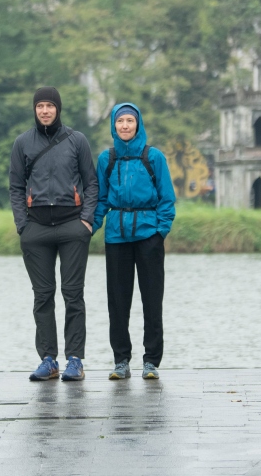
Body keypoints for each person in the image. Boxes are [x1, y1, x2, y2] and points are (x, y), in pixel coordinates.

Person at [9, 87, 98, 382]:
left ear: (58, 109)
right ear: (34, 110)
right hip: (36, 229)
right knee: (42, 296)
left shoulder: (77, 141)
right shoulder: (22, 143)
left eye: (50, 105)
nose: (45, 110)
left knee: (73, 294)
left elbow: (91, 184)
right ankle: (48, 359)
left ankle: (75, 360)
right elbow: (16, 187)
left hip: (72, 226)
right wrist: (22, 226)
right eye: (40, 106)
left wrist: (87, 221)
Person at [93, 103, 176, 381]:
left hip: (149, 236)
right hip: (116, 236)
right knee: (117, 302)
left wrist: (160, 230)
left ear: (138, 124)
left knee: (152, 300)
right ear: (114, 126)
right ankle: (121, 360)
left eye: (130, 120)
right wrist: (89, 227)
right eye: (120, 121)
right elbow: (101, 199)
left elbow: (167, 198)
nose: (125, 126)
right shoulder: (107, 158)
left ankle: (151, 361)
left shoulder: (153, 157)